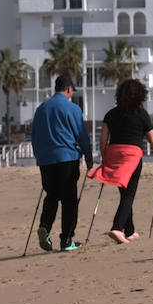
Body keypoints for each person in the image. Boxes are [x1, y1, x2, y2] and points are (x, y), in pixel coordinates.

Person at [88, 78, 153, 243]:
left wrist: (105, 158)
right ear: (140, 96)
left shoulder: (110, 114)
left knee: (124, 193)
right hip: (132, 157)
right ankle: (117, 227)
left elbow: (103, 141)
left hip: (114, 154)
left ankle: (129, 231)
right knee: (129, 194)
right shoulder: (142, 115)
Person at [31, 74, 93, 252]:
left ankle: (45, 226)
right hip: (67, 158)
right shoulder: (72, 108)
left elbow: (34, 135)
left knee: (51, 195)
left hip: (46, 160)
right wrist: (88, 157)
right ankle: (66, 240)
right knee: (69, 200)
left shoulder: (41, 109)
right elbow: (81, 134)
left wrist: (39, 156)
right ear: (69, 89)